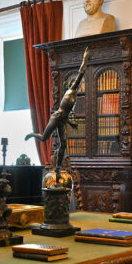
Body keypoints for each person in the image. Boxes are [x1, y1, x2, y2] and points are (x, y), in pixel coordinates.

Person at [26, 48, 90, 185]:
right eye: (73, 83)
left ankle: (58, 169)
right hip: (57, 117)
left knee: (64, 145)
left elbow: (67, 115)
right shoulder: (71, 91)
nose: (76, 85)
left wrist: (71, 124)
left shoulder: (74, 97)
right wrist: (85, 58)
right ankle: (33, 134)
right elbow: (81, 72)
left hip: (62, 120)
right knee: (44, 138)